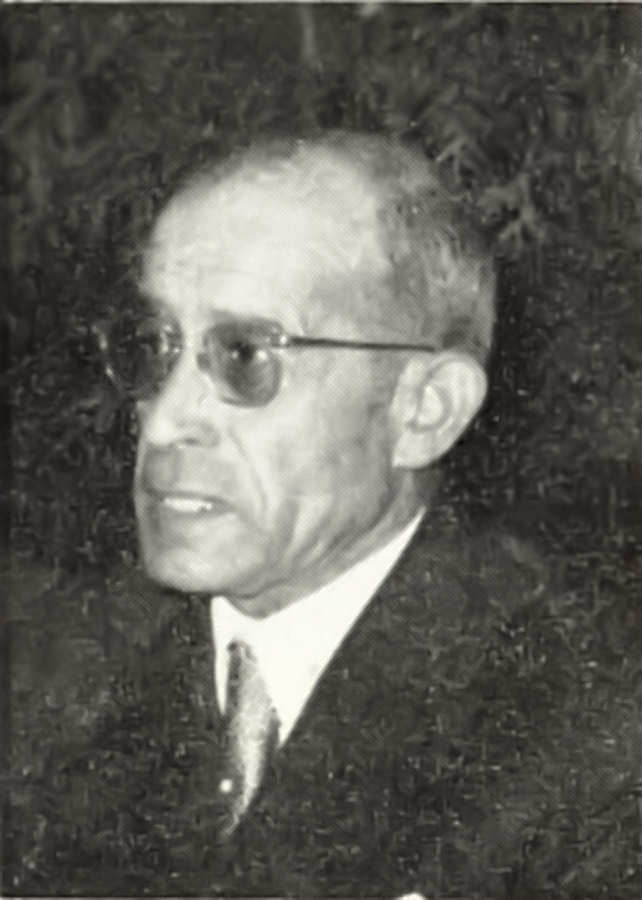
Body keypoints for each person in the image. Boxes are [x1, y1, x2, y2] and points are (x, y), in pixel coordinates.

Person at [7, 132, 640, 898]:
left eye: (246, 356)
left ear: (425, 410)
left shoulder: (588, 738)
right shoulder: (45, 676)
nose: (165, 419)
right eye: (155, 346)